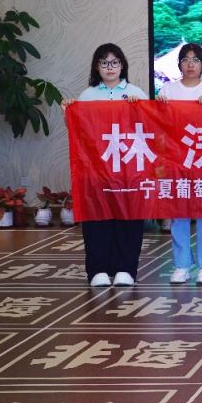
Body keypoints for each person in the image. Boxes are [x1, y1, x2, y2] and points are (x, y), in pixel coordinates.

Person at [64, 44, 148, 287]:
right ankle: (97, 269)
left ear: (122, 65)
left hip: (128, 169)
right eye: (104, 63)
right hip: (96, 170)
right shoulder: (87, 95)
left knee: (128, 217)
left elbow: (151, 127)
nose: (109, 67)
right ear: (96, 67)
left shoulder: (136, 93)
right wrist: (68, 112)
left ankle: (126, 269)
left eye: (114, 62)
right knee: (96, 217)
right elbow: (78, 132)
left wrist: (139, 109)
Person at [157, 43, 202, 285]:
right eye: (185, 59)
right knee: (179, 214)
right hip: (176, 160)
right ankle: (181, 265)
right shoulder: (168, 90)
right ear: (179, 64)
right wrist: (161, 109)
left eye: (195, 60)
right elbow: (159, 125)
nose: (190, 64)